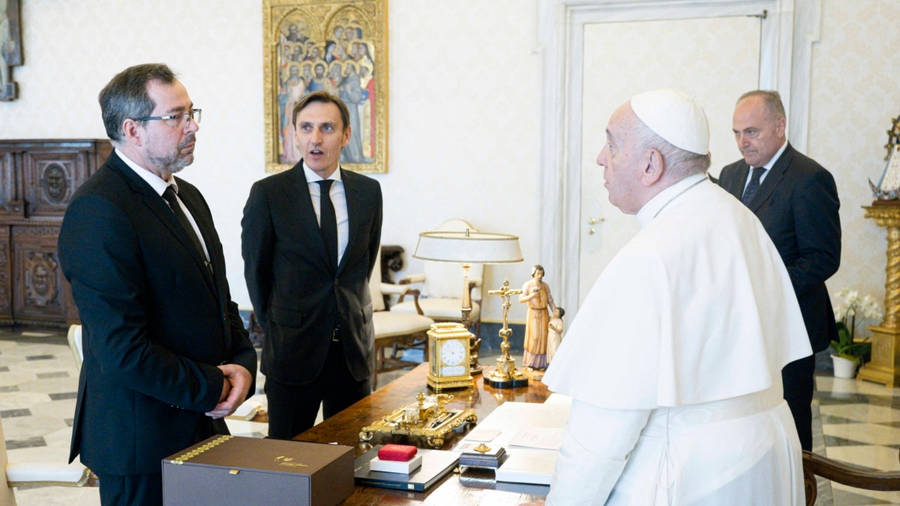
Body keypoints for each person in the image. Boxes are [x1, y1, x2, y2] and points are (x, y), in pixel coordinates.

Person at [543, 89, 811, 505]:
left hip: (693, 478)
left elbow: (599, 438)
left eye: (611, 144)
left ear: (651, 164)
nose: (600, 157)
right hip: (766, 462)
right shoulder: (739, 217)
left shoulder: (650, 256)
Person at [58, 63, 257, 505]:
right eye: (177, 116)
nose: (193, 125)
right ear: (133, 129)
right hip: (140, 442)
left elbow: (219, 303)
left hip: (199, 427)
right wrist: (211, 387)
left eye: (191, 112)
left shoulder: (188, 197)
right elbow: (120, 349)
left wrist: (244, 364)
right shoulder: (99, 210)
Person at [242, 90, 382, 440]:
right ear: (294, 134)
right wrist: (284, 321)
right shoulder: (269, 194)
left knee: (352, 456)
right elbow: (256, 273)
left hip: (352, 351)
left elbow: (360, 268)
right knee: (289, 460)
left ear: (346, 135)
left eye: (327, 128)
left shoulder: (368, 192)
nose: (315, 139)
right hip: (293, 351)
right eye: (306, 128)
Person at [718, 90, 841, 451]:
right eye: (737, 133)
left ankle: (798, 489)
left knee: (791, 418)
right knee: (747, 416)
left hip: (790, 324)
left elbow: (823, 258)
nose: (742, 142)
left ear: (780, 126)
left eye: (751, 132)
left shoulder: (809, 178)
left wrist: (761, 285)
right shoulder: (729, 175)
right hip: (740, 324)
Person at [519, 264, 555, 370]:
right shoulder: (528, 285)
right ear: (533, 274)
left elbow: (550, 300)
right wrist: (531, 296)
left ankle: (542, 364)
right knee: (534, 338)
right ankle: (530, 363)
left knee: (543, 337)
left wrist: (555, 312)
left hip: (544, 313)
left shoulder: (545, 286)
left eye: (541, 274)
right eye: (538, 274)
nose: (540, 276)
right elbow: (521, 299)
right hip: (533, 314)